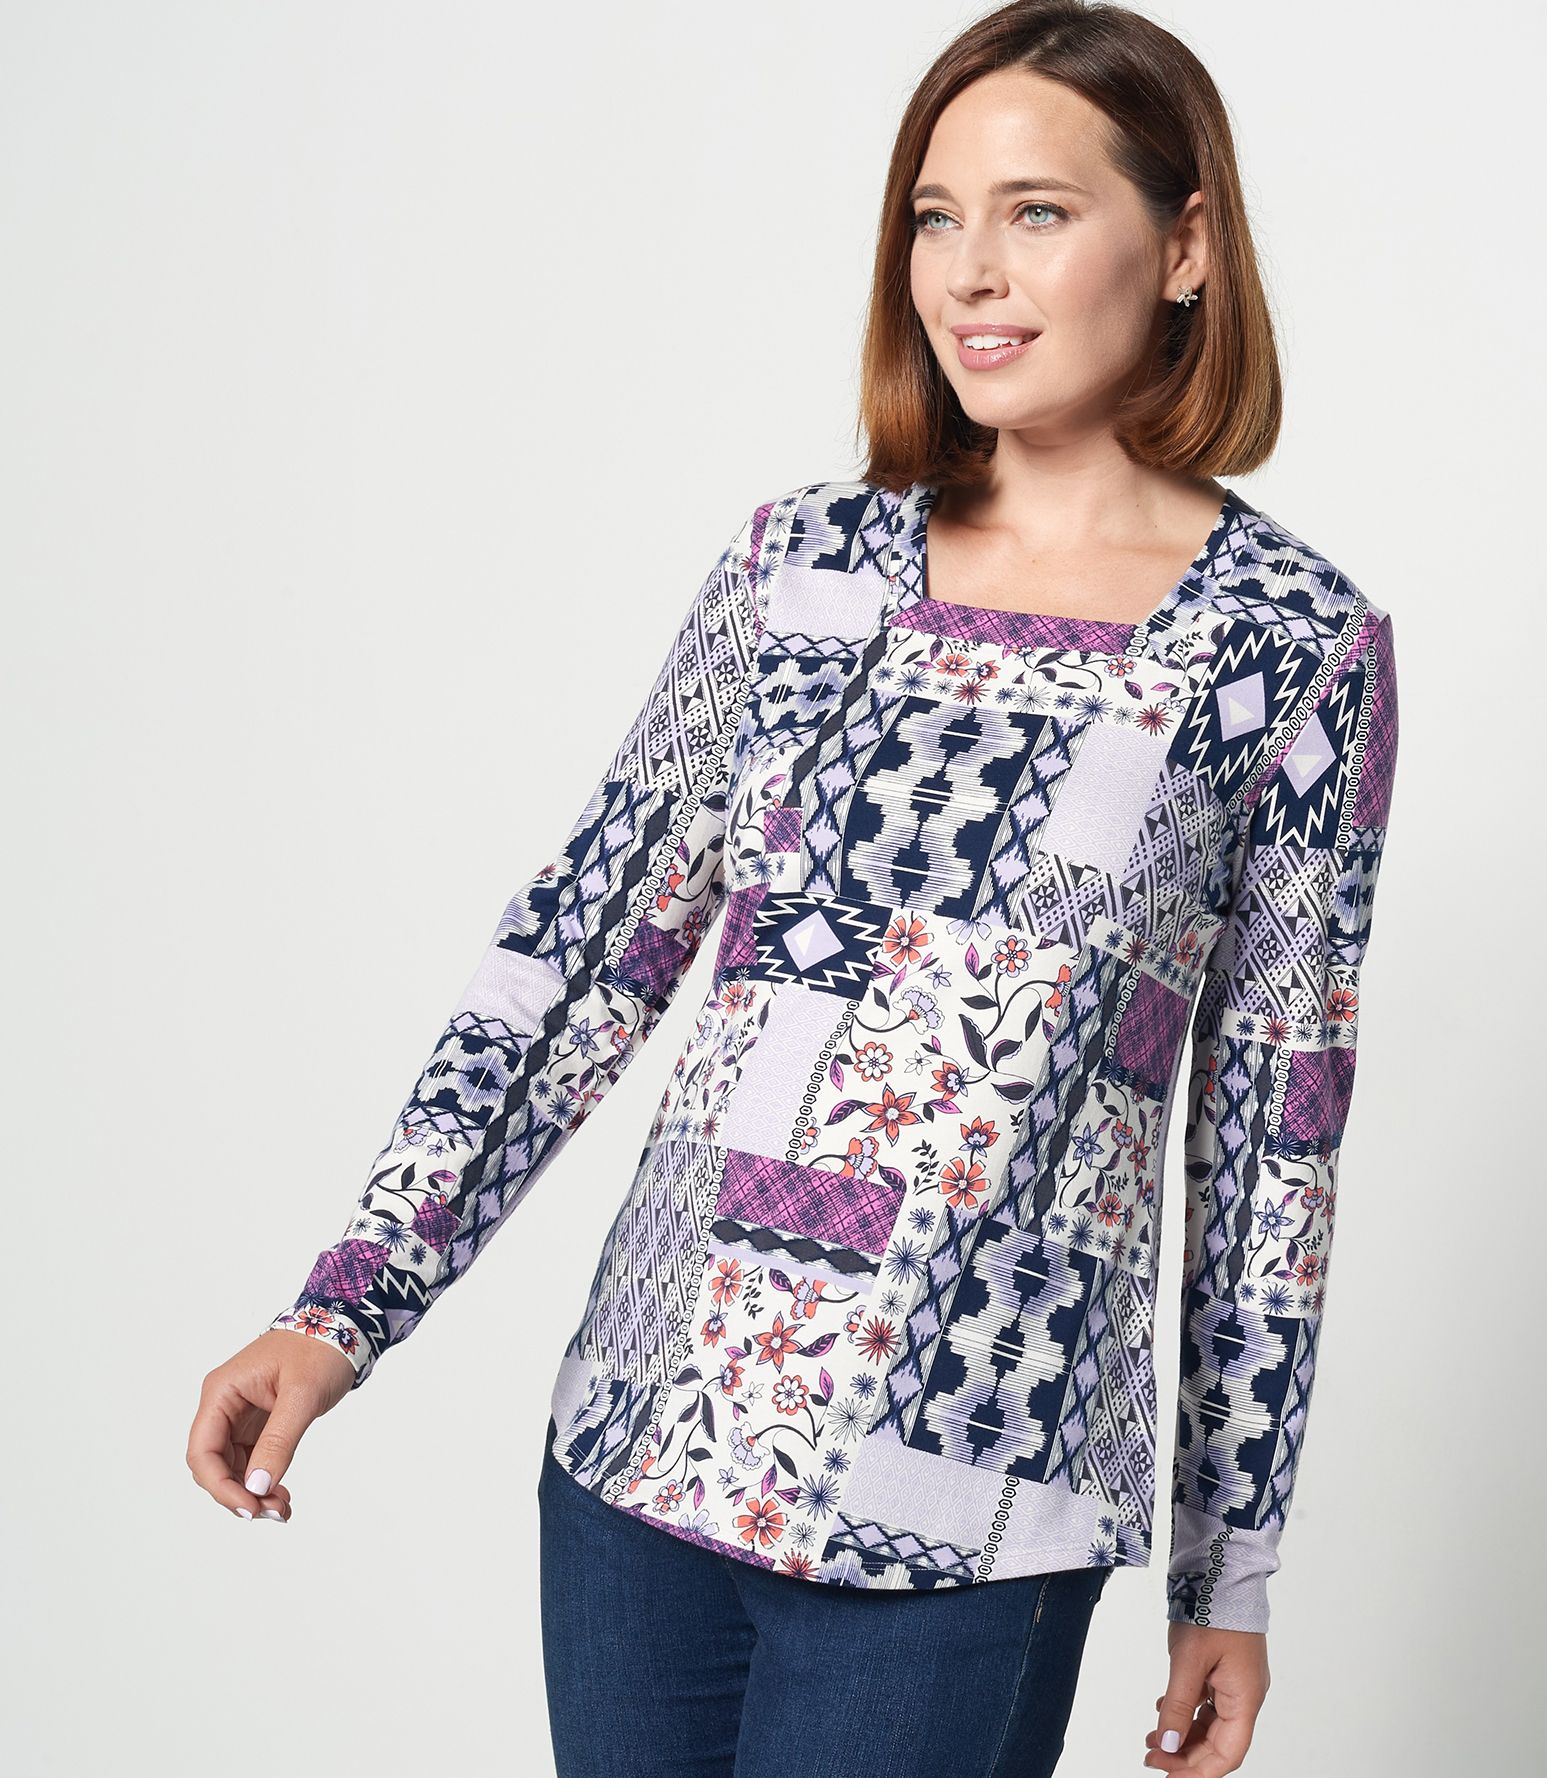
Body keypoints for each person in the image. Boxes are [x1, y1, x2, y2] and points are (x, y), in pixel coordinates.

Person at [185, 4, 1402, 1774]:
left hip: (970, 1504)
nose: (970, 272)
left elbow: (1274, 1141)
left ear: (1189, 242)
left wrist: (1232, 1569)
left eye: (1038, 212)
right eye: (935, 216)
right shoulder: (801, 570)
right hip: (644, 1451)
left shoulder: (1294, 647)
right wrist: (342, 1305)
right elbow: (582, 951)